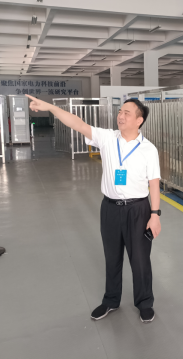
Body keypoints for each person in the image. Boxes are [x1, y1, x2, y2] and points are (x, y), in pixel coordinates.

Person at [26, 95, 162, 324]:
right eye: (120, 112)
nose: (120, 116)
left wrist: (155, 215)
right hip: (110, 208)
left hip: (138, 209)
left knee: (140, 260)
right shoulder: (107, 138)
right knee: (112, 257)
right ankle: (111, 300)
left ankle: (145, 303)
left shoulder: (148, 149)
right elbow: (77, 123)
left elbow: (154, 184)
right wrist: (49, 107)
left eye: (127, 113)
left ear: (139, 120)